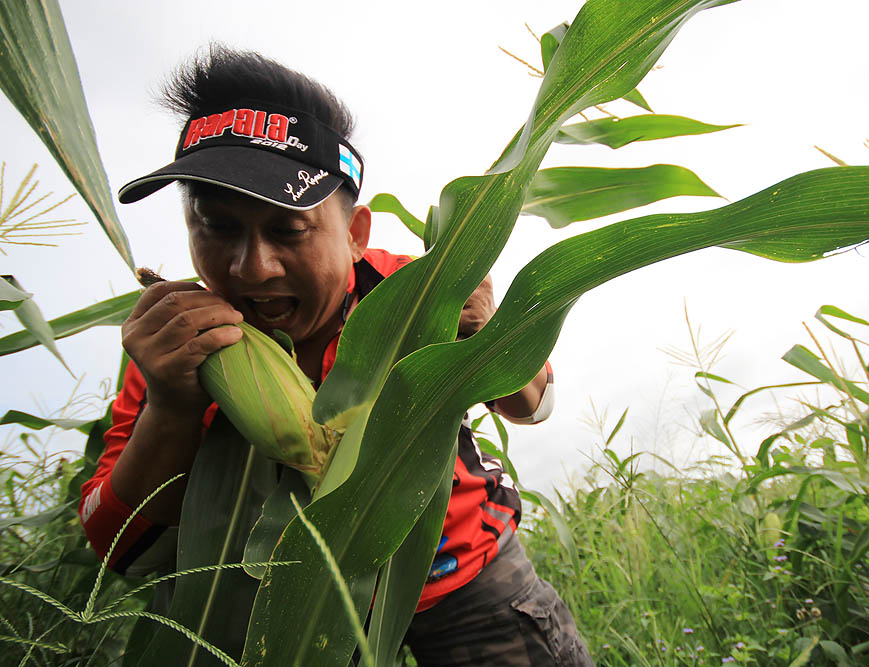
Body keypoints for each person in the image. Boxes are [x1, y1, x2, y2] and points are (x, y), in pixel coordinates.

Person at [78, 45, 593, 666]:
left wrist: (491, 339)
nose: (253, 266)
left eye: (288, 230)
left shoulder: (415, 292)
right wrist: (171, 405)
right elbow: (118, 549)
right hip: (305, 615)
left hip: (465, 580)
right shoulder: (178, 347)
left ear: (355, 235)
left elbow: (535, 405)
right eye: (218, 227)